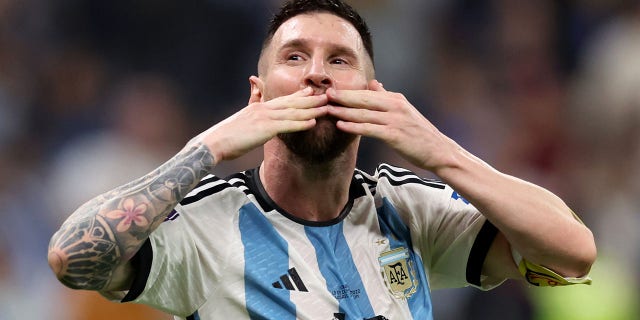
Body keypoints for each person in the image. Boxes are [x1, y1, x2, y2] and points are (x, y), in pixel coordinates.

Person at [47, 0, 596, 319]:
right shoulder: (203, 225)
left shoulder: (407, 206)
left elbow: (574, 254)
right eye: (295, 56)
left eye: (339, 59)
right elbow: (71, 258)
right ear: (258, 96)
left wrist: (444, 154)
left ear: (373, 93)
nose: (317, 73)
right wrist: (207, 148)